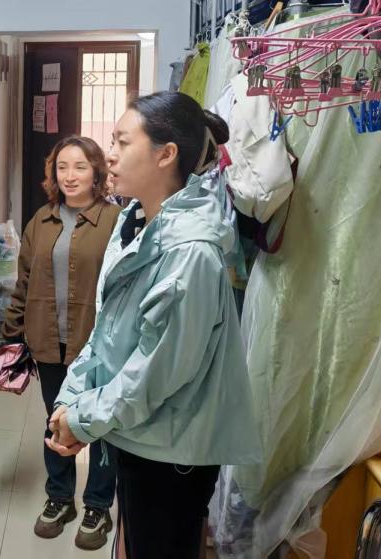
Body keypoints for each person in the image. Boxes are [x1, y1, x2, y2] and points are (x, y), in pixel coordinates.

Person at [47, 91, 261, 559]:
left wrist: (81, 420)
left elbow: (154, 373)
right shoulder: (137, 222)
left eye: (123, 142)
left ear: (166, 155)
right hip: (141, 431)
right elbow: (107, 331)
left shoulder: (189, 254)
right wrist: (70, 398)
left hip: (171, 447)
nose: (110, 155)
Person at [0, 136, 120, 550]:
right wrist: (11, 336)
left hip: (98, 345)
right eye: (62, 167)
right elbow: (24, 283)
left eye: (80, 167)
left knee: (100, 424)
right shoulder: (41, 220)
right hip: (49, 342)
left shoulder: (115, 220)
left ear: (96, 172)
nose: (70, 175)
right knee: (56, 419)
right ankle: (60, 498)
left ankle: (98, 505)